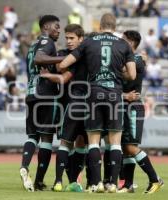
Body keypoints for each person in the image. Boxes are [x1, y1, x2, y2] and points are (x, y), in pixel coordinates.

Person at [59, 13, 136, 193]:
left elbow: (63, 64)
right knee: (115, 142)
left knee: (93, 141)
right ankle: (113, 185)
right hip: (115, 95)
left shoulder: (89, 41)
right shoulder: (124, 44)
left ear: (100, 26)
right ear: (114, 27)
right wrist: (118, 71)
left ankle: (95, 184)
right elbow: (132, 75)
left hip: (94, 94)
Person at [40, 24, 87, 192]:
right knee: (70, 144)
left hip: (79, 104)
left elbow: (63, 74)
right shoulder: (63, 54)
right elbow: (60, 68)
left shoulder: (81, 55)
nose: (68, 41)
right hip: (66, 104)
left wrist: (48, 75)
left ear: (81, 39)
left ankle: (70, 181)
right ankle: (64, 181)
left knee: (75, 144)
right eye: (66, 38)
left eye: (72, 38)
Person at [19, 15, 63, 192]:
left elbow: (34, 58)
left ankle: (24, 166)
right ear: (46, 27)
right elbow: (39, 59)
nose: (59, 30)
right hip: (45, 94)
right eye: (56, 26)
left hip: (30, 93)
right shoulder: (47, 42)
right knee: (46, 137)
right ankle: (38, 180)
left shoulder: (32, 45)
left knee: (32, 136)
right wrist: (62, 59)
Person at [117, 30, 163, 194]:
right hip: (123, 106)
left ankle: (155, 179)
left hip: (133, 107)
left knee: (130, 147)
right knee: (125, 147)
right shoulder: (130, 59)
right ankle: (128, 184)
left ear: (130, 43)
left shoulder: (137, 60)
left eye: (123, 40)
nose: (120, 43)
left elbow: (124, 74)